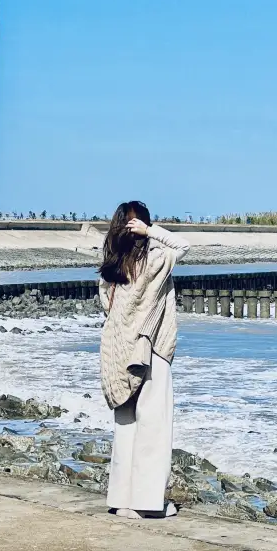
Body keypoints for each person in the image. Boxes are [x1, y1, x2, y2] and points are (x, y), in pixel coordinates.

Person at [99, 200, 190, 519]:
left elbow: (107, 306)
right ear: (143, 227)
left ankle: (121, 501)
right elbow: (184, 245)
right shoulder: (155, 259)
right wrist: (151, 231)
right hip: (150, 349)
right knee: (154, 425)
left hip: (117, 349)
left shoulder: (112, 267)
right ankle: (147, 504)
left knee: (126, 426)